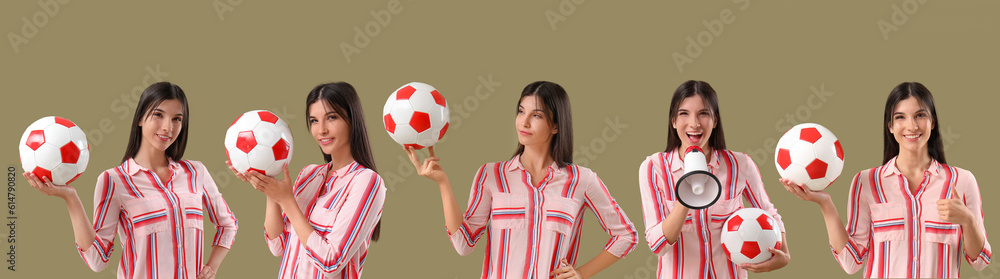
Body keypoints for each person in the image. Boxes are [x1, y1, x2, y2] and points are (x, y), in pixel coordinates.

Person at [406, 81, 637, 279]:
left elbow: (626, 235)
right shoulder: (491, 175)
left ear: (556, 125)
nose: (523, 122)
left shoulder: (582, 180)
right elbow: (463, 244)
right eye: (520, 111)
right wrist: (443, 183)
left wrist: (580, 273)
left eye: (536, 115)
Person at [26, 82, 238, 279]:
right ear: (139, 118)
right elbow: (98, 260)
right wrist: (70, 198)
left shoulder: (195, 172)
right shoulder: (114, 180)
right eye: (158, 115)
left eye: (177, 118)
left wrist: (212, 267)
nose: (168, 127)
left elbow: (228, 224)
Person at [781, 82, 990, 278]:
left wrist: (967, 220)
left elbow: (980, 261)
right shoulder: (866, 182)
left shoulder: (962, 181)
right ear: (889, 126)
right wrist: (824, 203)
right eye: (900, 117)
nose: (912, 126)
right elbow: (851, 262)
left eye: (920, 115)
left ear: (933, 121)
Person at [228, 82, 385, 279]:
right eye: (314, 121)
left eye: (332, 117)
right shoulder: (308, 174)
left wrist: (286, 201)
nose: (321, 130)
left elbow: (331, 262)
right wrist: (270, 184)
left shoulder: (366, 181)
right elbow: (278, 245)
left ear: (352, 120)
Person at [637, 80, 790, 279]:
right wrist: (687, 194)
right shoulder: (653, 168)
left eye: (703, 113)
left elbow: (768, 212)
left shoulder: (740, 164)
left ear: (715, 121)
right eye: (684, 113)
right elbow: (657, 245)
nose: (694, 123)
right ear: (673, 121)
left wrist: (784, 255)